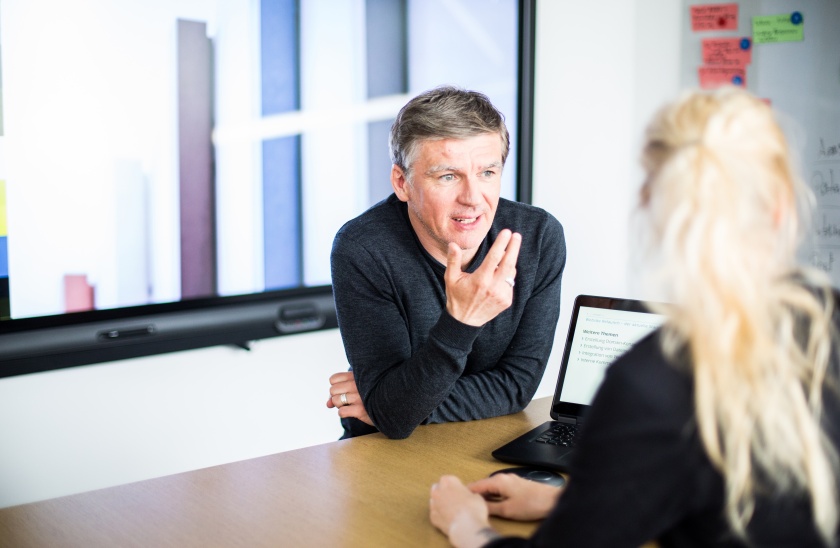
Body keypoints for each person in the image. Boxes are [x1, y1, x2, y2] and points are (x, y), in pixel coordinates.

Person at [428, 86, 840, 547]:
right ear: (783, 207)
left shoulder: (651, 384)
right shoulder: (828, 322)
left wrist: (468, 525)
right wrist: (568, 503)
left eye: (487, 171)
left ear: (650, 207)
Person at [325, 85, 566, 439]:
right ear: (401, 182)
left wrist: (391, 403)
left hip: (486, 440)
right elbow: (393, 418)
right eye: (448, 176)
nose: (472, 199)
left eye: (487, 173)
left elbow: (516, 388)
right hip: (383, 455)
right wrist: (462, 322)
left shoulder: (537, 238)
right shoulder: (363, 249)